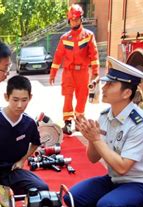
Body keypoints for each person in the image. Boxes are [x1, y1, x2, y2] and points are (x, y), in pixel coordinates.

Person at [64, 57, 143, 207]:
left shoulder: (141, 123)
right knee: (72, 198)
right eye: (106, 83)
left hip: (141, 184)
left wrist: (97, 139)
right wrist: (91, 138)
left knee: (107, 205)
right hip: (115, 180)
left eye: (111, 84)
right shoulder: (105, 116)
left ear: (126, 93)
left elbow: (123, 167)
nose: (104, 88)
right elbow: (93, 158)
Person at [0, 75, 49, 207]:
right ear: (6, 97)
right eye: (15, 100)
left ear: (30, 97)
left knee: (42, 187)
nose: (19, 105)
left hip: (11, 170)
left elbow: (35, 143)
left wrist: (23, 160)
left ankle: (4, 189)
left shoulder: (29, 123)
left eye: (24, 100)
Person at [49, 4, 100, 135]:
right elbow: (57, 57)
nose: (74, 22)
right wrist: (52, 74)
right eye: (72, 19)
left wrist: (95, 73)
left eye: (76, 19)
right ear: (69, 20)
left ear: (81, 19)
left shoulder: (88, 36)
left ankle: (79, 121)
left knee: (82, 97)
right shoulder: (65, 38)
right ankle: (68, 123)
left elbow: (94, 55)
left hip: (83, 72)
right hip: (68, 72)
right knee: (67, 97)